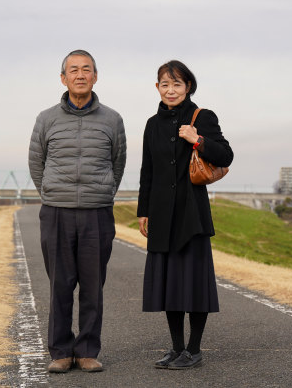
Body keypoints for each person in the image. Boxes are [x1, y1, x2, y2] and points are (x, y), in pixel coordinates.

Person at [28, 49, 127, 373]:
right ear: (63, 78)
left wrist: (103, 193)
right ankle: (60, 352)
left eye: (86, 69)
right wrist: (51, 193)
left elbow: (118, 162)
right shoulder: (46, 118)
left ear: (95, 77)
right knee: (59, 284)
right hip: (56, 212)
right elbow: (36, 162)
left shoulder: (112, 119)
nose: (80, 75)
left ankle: (87, 351)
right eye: (74, 70)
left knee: (92, 286)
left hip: (96, 214)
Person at [137, 60, 233, 369]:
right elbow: (147, 172)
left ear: (187, 86)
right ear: (157, 88)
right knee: (169, 284)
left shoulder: (202, 117)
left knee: (193, 283)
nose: (170, 90)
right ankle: (176, 348)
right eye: (164, 84)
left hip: (192, 214)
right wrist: (143, 211)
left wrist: (198, 140)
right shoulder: (152, 124)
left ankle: (194, 349)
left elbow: (226, 155)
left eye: (176, 84)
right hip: (162, 214)